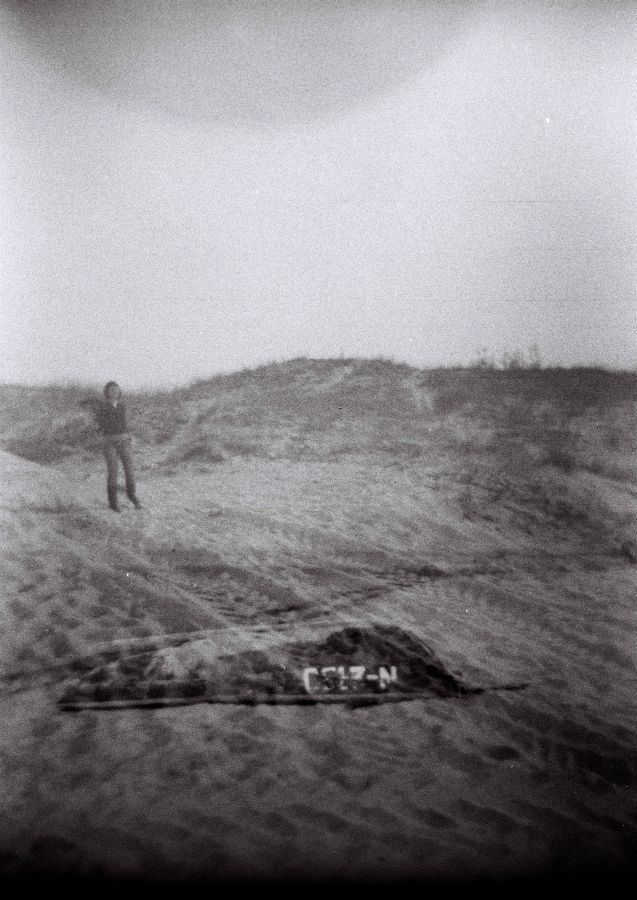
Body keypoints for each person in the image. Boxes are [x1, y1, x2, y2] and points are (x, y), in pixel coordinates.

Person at [94, 381, 142, 512]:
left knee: (129, 470)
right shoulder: (102, 407)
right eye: (111, 389)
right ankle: (113, 502)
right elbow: (99, 424)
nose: (115, 391)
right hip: (109, 441)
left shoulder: (122, 406)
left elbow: (125, 423)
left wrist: (128, 436)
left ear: (120, 391)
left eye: (117, 389)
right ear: (107, 392)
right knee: (113, 471)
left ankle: (132, 496)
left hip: (124, 441)